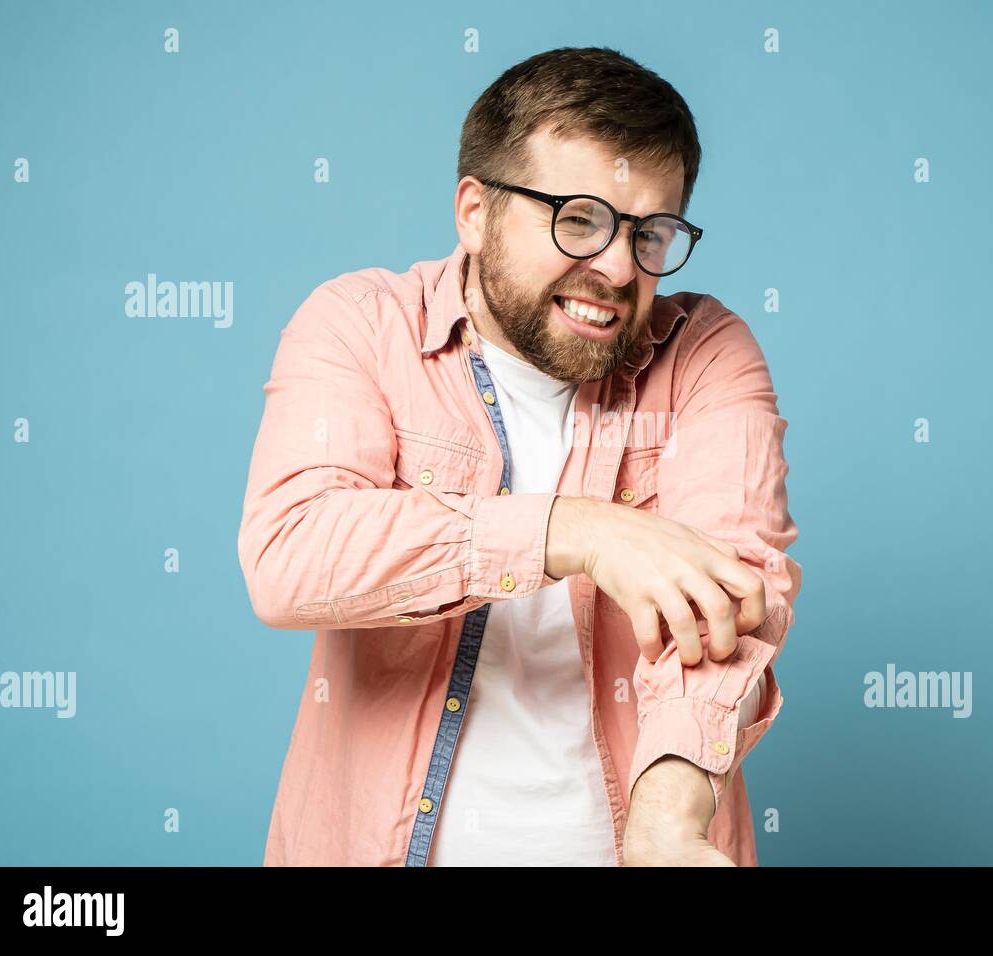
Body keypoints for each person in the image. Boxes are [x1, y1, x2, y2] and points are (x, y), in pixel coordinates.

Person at [237, 45, 802, 867]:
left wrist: (666, 824)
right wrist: (576, 532)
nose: (616, 267)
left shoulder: (706, 352)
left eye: (651, 233)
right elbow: (292, 554)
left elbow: (730, 605)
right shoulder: (358, 324)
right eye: (578, 218)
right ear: (475, 210)